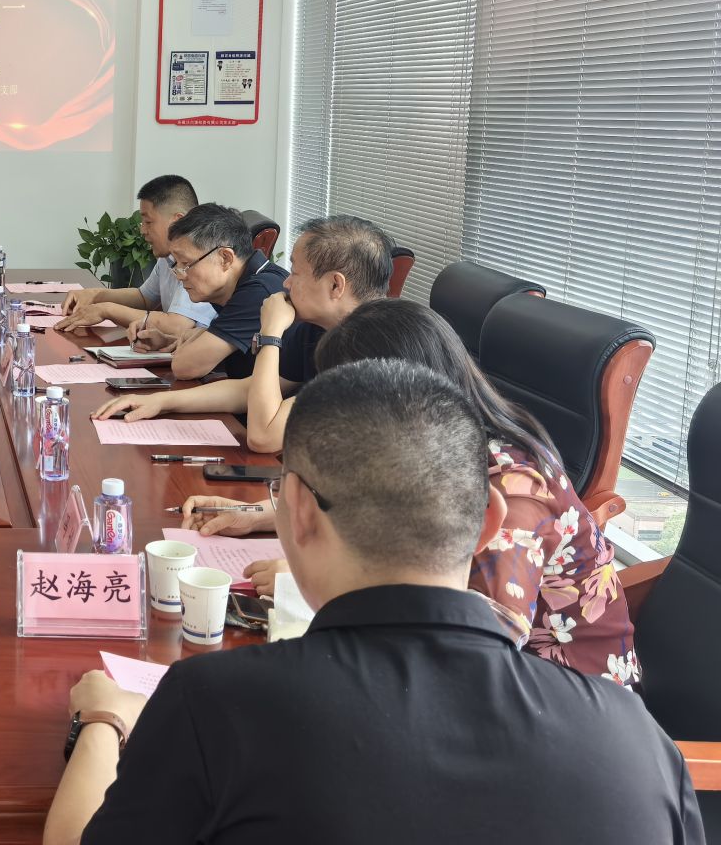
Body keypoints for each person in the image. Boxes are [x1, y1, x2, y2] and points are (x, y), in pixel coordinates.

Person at [45, 360, 700, 844]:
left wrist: (104, 720)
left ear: (298, 511)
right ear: (490, 523)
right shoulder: (635, 739)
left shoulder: (212, 705)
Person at [183, 298, 641, 685]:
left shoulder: (515, 483)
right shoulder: (435, 443)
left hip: (558, 698)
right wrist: (265, 513)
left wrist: (334, 580)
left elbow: (485, 640)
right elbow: (393, 510)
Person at [93, 214, 392, 451]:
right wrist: (161, 402)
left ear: (336, 285)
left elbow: (263, 437)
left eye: (296, 273)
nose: (286, 284)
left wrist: (271, 333)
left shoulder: (373, 354)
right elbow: (248, 390)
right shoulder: (319, 330)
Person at [109, 203, 287, 381]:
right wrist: (168, 342)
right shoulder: (235, 285)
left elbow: (185, 367)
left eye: (186, 264)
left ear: (225, 258)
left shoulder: (259, 292)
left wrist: (195, 341)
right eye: (176, 264)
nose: (180, 275)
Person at [56, 175, 215, 335]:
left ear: (177, 221)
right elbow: (144, 298)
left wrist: (106, 310)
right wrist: (94, 295)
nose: (142, 230)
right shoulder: (168, 257)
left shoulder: (202, 259)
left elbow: (176, 326)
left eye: (148, 222)